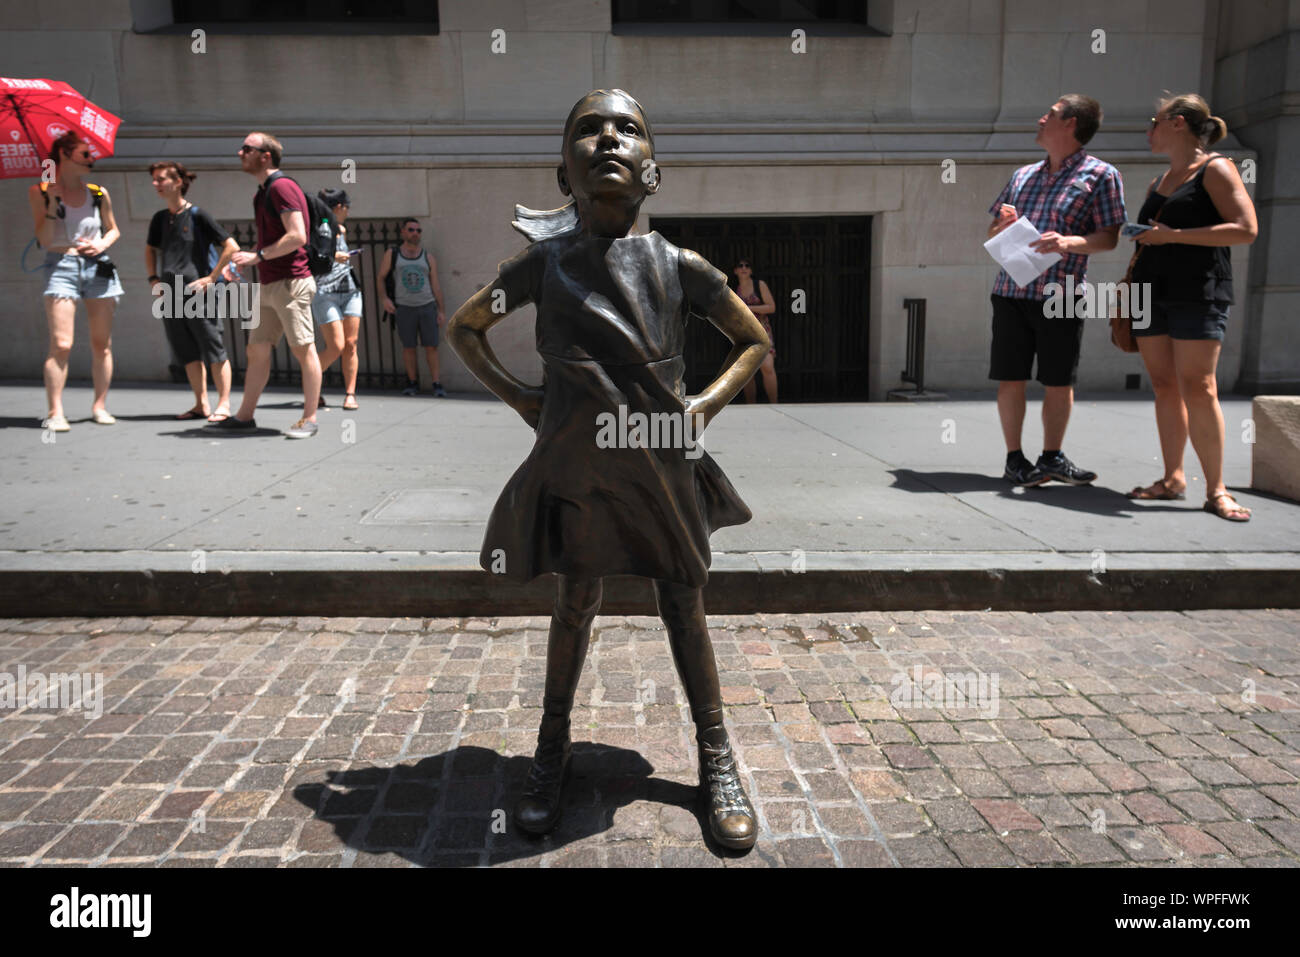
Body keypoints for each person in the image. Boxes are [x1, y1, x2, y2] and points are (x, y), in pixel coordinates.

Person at [447, 89, 771, 851]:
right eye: (588, 130)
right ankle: (551, 747)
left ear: (652, 170)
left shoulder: (677, 265)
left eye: (628, 129)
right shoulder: (542, 265)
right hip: (577, 467)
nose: (608, 140)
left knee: (684, 604)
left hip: (660, 463)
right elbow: (466, 328)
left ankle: (715, 753)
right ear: (565, 173)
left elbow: (753, 340)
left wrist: (702, 407)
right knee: (574, 601)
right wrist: (525, 401)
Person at [1126, 94, 1258, 521]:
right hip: (1148, 290)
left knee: (1199, 387)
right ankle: (1172, 479)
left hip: (1198, 291)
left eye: (1155, 120)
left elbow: (1245, 229)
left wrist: (1174, 235)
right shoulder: (1159, 180)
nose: (1149, 129)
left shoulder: (1216, 168)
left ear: (1177, 123)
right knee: (1164, 385)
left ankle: (1218, 490)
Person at [987, 95, 1126, 487]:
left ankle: (1051, 458)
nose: (1040, 118)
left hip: (1060, 294)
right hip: (1010, 290)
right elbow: (992, 233)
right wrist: (1002, 225)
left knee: (1058, 379)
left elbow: (1110, 238)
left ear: (1071, 124)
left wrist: (1068, 242)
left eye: (1049, 114)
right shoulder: (1022, 176)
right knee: (1010, 376)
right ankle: (1015, 460)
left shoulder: (1101, 175)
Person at [208, 132, 322, 439]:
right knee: (256, 349)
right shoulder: (262, 193)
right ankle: (245, 417)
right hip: (270, 283)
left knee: (303, 349)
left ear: (266, 155)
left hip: (292, 283)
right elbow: (270, 241)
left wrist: (258, 255)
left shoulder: (282, 187)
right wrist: (243, 261)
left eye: (247, 148)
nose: (239, 152)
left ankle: (309, 419)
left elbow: (297, 235)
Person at [27, 131, 122, 431]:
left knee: (101, 344)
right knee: (62, 344)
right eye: (85, 154)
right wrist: (52, 203)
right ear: (65, 155)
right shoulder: (40, 191)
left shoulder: (97, 192)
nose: (92, 159)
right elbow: (43, 239)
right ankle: (55, 412)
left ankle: (100, 406)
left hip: (98, 266)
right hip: (61, 265)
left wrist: (102, 245)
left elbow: (113, 229)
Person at [145, 161, 239, 422]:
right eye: (154, 179)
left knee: (213, 347)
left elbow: (231, 246)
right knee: (186, 351)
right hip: (170, 294)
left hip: (199, 294)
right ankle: (201, 404)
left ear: (177, 183)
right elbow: (150, 249)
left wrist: (211, 277)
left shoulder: (198, 215)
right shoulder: (160, 219)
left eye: (161, 179)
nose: (156, 184)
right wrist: (153, 278)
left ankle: (224, 404)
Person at [378, 218, 447, 397]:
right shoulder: (392, 254)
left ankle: (436, 383)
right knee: (408, 347)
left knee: (431, 346)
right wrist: (385, 299)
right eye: (411, 230)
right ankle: (412, 383)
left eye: (418, 230)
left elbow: (436, 285)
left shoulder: (428, 257)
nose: (415, 233)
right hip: (404, 307)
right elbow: (380, 278)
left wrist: (441, 310)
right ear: (403, 232)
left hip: (427, 306)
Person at [312, 188, 362, 410]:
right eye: (347, 208)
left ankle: (350, 394)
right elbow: (310, 255)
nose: (348, 212)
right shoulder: (315, 228)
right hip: (324, 292)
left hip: (350, 290)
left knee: (351, 344)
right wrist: (334, 256)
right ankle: (311, 382)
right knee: (335, 346)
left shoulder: (341, 229)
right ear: (339, 207)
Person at [731, 259, 778, 403]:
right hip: (744, 333)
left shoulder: (760, 285)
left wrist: (749, 309)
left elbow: (771, 307)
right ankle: (751, 406)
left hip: (762, 330)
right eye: (740, 265)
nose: (744, 268)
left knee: (767, 367)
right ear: (736, 271)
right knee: (747, 373)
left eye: (747, 266)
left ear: (751, 270)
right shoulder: (734, 289)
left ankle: (775, 403)